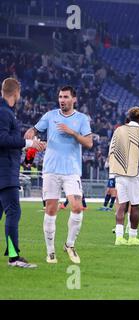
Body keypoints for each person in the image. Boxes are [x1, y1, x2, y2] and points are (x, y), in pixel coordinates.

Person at [25, 85, 93, 264]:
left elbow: (89, 143)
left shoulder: (81, 119)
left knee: (77, 207)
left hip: (71, 171)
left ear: (74, 99)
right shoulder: (50, 116)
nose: (62, 100)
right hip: (51, 170)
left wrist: (72, 133)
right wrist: (32, 140)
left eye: (66, 97)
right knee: (51, 210)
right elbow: (33, 130)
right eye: (60, 97)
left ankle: (69, 244)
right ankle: (50, 251)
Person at [0, 77, 43, 268]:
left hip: (5, 170)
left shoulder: (5, 112)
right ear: (16, 93)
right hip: (5, 173)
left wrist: (25, 148)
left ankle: (13, 255)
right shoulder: (4, 112)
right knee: (13, 213)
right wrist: (28, 143)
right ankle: (14, 257)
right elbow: (2, 139)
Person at [109, 107, 139, 246]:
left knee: (121, 205)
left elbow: (111, 151)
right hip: (135, 172)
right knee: (136, 206)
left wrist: (112, 175)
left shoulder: (118, 130)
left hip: (119, 172)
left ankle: (119, 237)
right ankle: (132, 237)